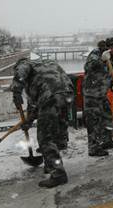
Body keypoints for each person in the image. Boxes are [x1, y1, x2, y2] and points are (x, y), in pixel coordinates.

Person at [10, 58, 73, 188]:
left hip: (50, 96)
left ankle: (58, 174)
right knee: (56, 134)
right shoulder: (46, 64)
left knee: (45, 137)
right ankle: (51, 165)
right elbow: (36, 106)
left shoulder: (24, 64)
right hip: (67, 95)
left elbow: (21, 72)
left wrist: (16, 91)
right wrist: (29, 121)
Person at [83, 37, 113, 157]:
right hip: (91, 94)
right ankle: (94, 148)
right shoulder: (96, 53)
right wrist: (101, 60)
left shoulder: (110, 58)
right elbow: (88, 67)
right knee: (94, 121)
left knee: (107, 115)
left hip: (101, 94)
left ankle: (106, 141)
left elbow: (109, 74)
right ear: (111, 47)